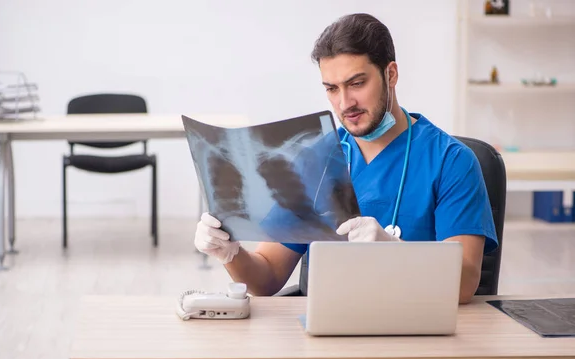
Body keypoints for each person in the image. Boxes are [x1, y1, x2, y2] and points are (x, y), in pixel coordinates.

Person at [194, 13, 498, 304]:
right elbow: (267, 277)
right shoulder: (316, 161)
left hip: (416, 331)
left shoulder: (451, 161)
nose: (344, 103)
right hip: (326, 336)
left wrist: (395, 251)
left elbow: (465, 283)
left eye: (356, 83)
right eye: (331, 88)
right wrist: (231, 253)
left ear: (390, 74)